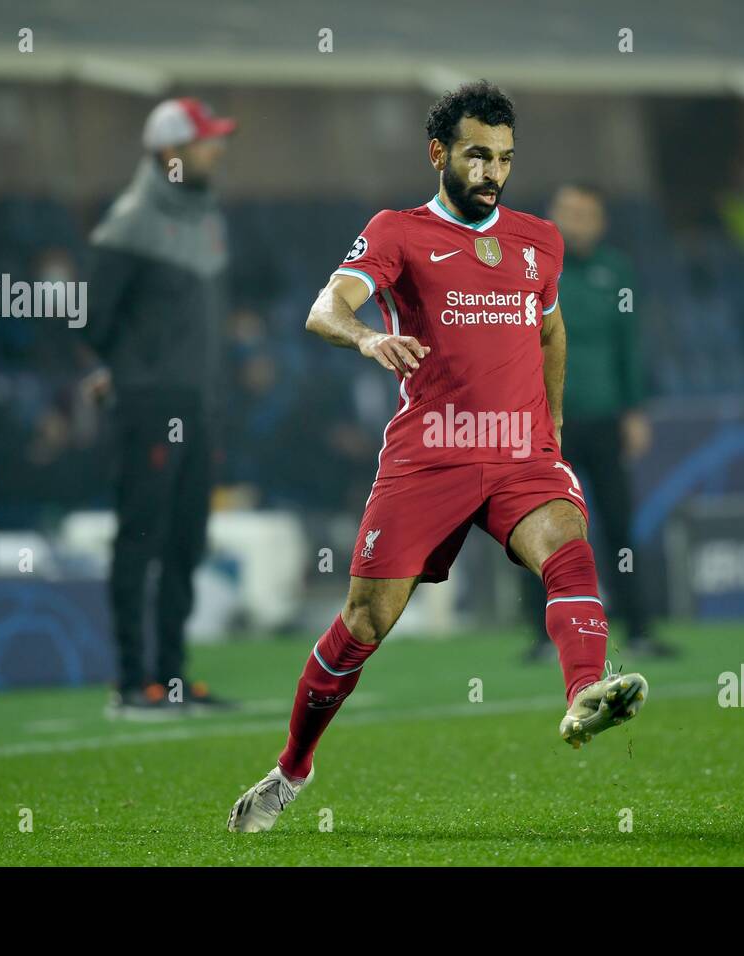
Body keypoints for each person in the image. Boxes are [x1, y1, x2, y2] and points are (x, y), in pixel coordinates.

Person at [228, 81, 648, 834]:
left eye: (506, 159)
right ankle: (294, 767)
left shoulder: (539, 241)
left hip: (520, 455)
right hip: (431, 455)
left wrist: (548, 423)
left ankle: (587, 690)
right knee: (364, 621)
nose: (492, 172)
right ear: (439, 153)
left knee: (568, 546)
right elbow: (325, 307)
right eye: (478, 155)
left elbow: (550, 333)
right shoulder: (398, 232)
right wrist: (367, 337)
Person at [81, 97, 236, 719]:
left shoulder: (206, 216)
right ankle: (129, 682)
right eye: (205, 142)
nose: (215, 151)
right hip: (149, 403)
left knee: (185, 541)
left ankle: (171, 678)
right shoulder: (129, 222)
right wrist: (129, 370)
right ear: (170, 154)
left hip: (197, 402)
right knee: (140, 538)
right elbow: (93, 320)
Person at [521, 184, 676, 661]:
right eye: (568, 213)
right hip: (546, 422)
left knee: (618, 527)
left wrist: (634, 411)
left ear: (601, 223)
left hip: (607, 418)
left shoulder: (617, 271)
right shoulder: (529, 269)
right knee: (538, 527)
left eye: (586, 214)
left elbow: (629, 346)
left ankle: (640, 630)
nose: (577, 222)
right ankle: (544, 637)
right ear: (552, 217)